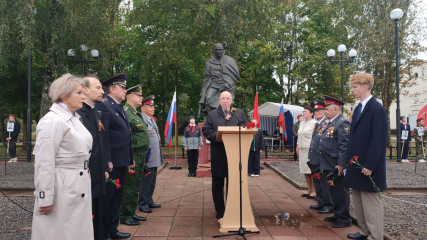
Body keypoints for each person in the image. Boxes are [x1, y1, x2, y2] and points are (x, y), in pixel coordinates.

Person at [31, 73, 94, 239]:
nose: (83, 96)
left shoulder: (73, 119)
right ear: (64, 95)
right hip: (63, 188)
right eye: (78, 93)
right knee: (60, 233)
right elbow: (44, 162)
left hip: (77, 184)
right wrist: (45, 197)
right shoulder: (51, 121)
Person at [345, 73, 388, 240]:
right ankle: (364, 231)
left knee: (371, 204)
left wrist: (369, 165)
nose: (352, 90)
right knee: (359, 201)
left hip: (369, 166)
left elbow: (378, 140)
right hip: (356, 165)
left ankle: (375, 236)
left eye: (354, 87)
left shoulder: (376, 109)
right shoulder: (359, 108)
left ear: (365, 86)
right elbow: (354, 139)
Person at [95, 73, 133, 239]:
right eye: (122, 87)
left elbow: (126, 135)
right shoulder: (105, 106)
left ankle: (113, 229)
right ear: (112, 89)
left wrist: (129, 159)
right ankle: (104, 233)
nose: (125, 90)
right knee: (108, 198)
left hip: (121, 161)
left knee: (116, 198)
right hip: (113, 163)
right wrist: (107, 160)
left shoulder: (117, 106)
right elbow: (104, 136)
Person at [202, 90, 248, 219]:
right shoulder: (212, 115)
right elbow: (206, 130)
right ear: (219, 100)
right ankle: (220, 210)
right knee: (217, 184)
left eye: (228, 98)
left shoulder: (238, 113)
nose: (226, 101)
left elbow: (245, 127)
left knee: (233, 183)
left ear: (232, 100)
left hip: (235, 155)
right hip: (219, 154)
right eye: (223, 98)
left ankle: (232, 208)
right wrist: (217, 136)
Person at [76, 75, 109, 240]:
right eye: (98, 88)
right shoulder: (78, 113)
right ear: (86, 89)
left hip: (97, 172)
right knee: (87, 216)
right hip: (85, 174)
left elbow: (100, 142)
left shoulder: (95, 111)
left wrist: (104, 167)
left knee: (98, 212)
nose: (102, 91)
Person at [118, 85, 149, 226]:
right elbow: (126, 137)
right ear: (130, 97)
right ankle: (124, 215)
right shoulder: (126, 112)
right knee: (129, 186)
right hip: (134, 155)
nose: (141, 98)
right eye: (139, 95)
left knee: (136, 185)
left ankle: (131, 212)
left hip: (140, 155)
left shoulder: (136, 113)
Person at [319, 95, 351, 228]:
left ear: (335, 109)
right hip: (329, 162)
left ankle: (344, 218)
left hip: (336, 163)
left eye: (327, 109)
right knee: (333, 189)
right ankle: (337, 213)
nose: (325, 111)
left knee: (340, 190)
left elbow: (345, 145)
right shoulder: (332, 122)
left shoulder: (342, 122)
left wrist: (342, 164)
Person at [198, 43, 239, 116]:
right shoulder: (209, 62)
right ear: (214, 51)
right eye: (216, 50)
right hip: (213, 84)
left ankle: (226, 115)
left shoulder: (229, 60)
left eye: (220, 50)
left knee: (226, 99)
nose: (218, 51)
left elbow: (235, 75)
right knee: (208, 97)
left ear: (223, 50)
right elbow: (206, 77)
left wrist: (227, 84)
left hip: (226, 84)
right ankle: (211, 116)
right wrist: (203, 91)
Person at [307, 100, 333, 214]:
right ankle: (321, 202)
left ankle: (328, 204)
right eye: (315, 111)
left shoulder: (327, 123)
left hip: (322, 159)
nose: (316, 112)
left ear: (325, 111)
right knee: (318, 182)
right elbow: (313, 141)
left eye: (319, 110)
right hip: (315, 158)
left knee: (324, 183)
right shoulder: (318, 124)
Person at [138, 95, 163, 213]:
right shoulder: (141, 120)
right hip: (147, 158)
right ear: (143, 107)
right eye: (150, 106)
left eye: (153, 106)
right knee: (145, 182)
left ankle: (149, 200)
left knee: (152, 181)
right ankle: (142, 203)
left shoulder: (151, 119)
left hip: (154, 157)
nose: (153, 108)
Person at [297, 106, 316, 199]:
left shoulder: (314, 123)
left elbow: (315, 138)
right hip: (301, 148)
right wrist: (297, 147)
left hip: (309, 149)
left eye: (306, 112)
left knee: (311, 170)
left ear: (311, 114)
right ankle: (308, 189)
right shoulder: (302, 123)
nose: (303, 113)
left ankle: (314, 190)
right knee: (305, 170)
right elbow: (299, 136)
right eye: (303, 111)